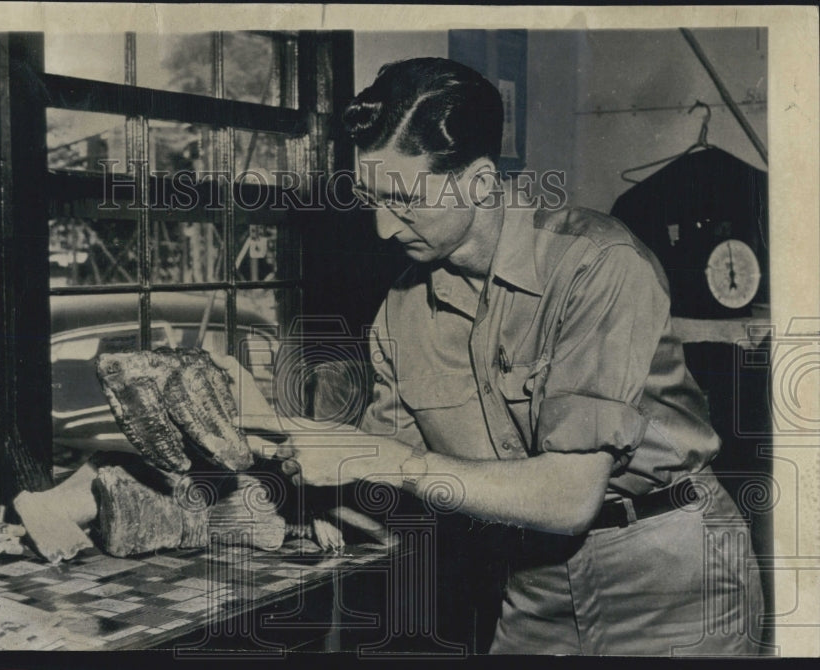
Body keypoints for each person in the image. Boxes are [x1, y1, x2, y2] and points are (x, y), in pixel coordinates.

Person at [235, 57, 766, 655]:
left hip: (670, 578)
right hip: (530, 581)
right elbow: (394, 482)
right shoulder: (404, 308)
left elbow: (568, 497)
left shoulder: (598, 265)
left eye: (404, 199)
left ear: (480, 183)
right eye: (370, 198)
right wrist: (307, 484)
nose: (382, 228)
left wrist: (380, 461)